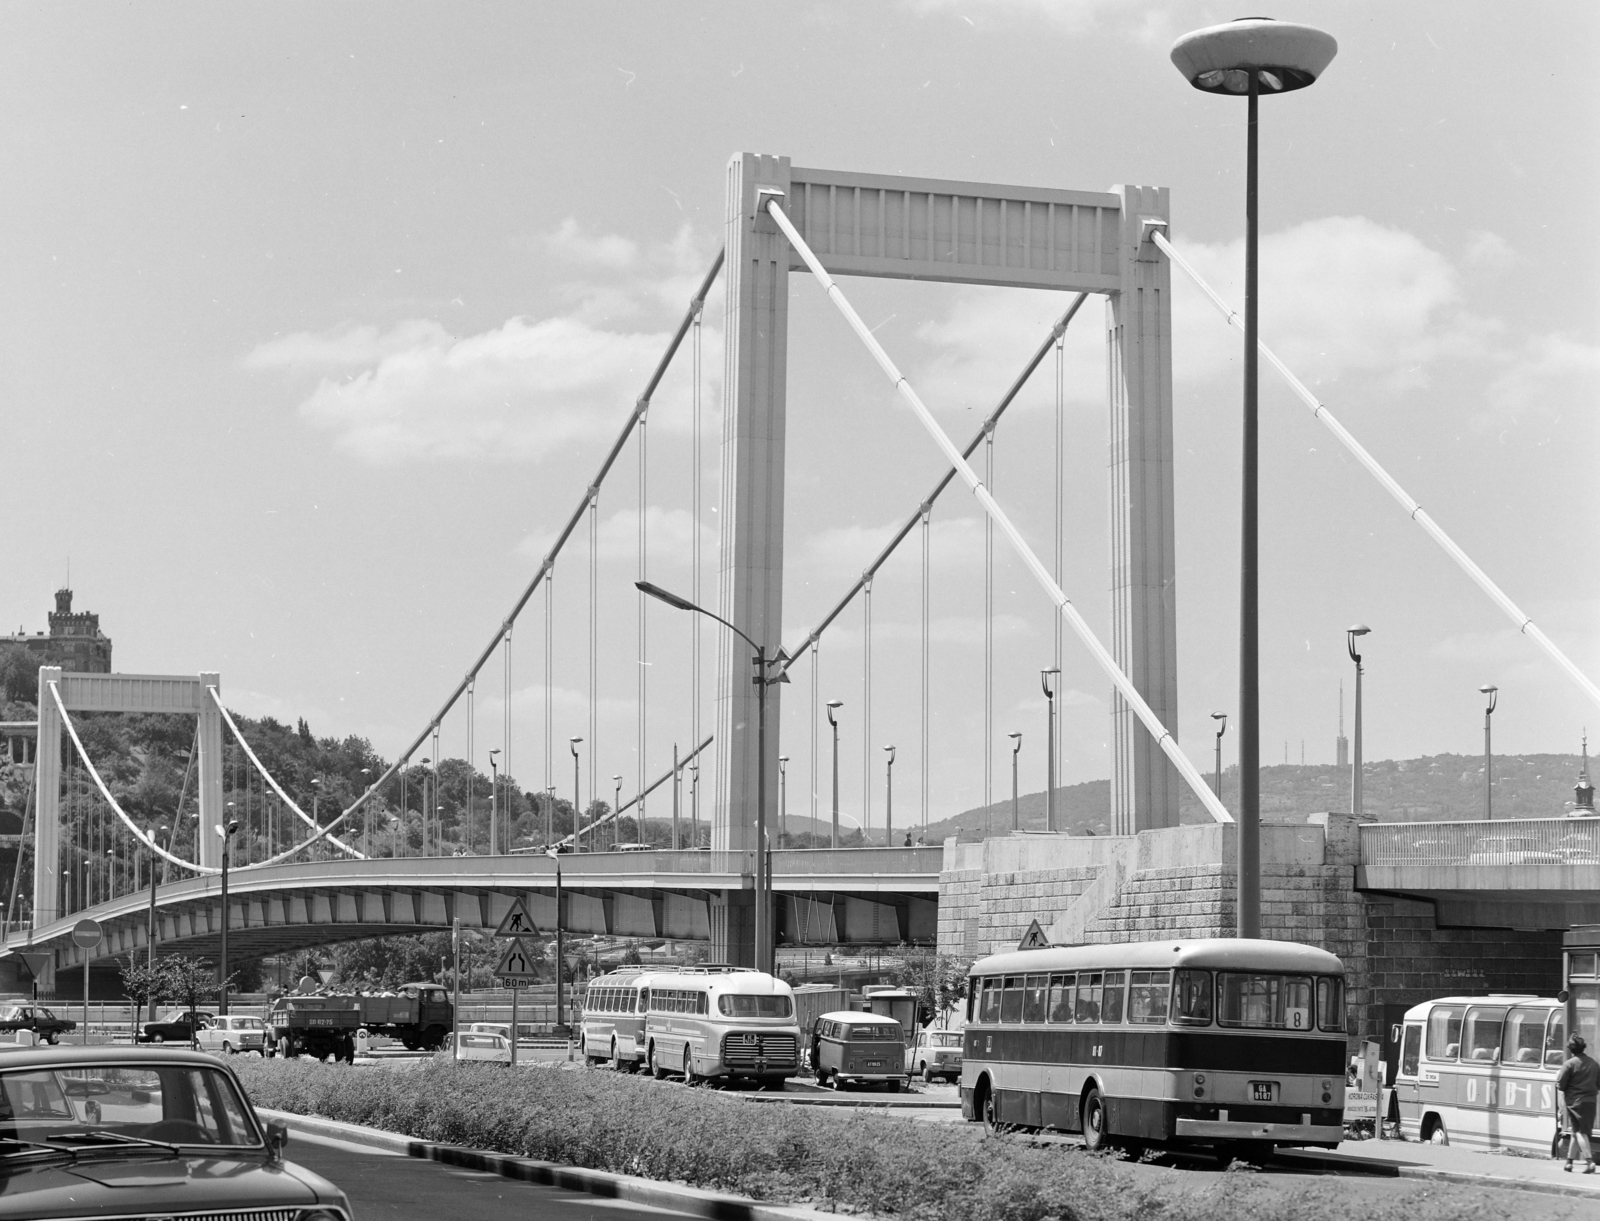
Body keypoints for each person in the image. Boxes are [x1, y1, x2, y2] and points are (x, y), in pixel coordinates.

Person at [1558, 1035, 1600, 1172]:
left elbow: (1561, 1086)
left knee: (1580, 1132)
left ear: (1571, 1049)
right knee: (1577, 1131)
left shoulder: (1569, 1064)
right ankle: (1569, 1162)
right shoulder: (1594, 1063)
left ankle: (1589, 1162)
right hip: (1591, 1102)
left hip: (1575, 1102)